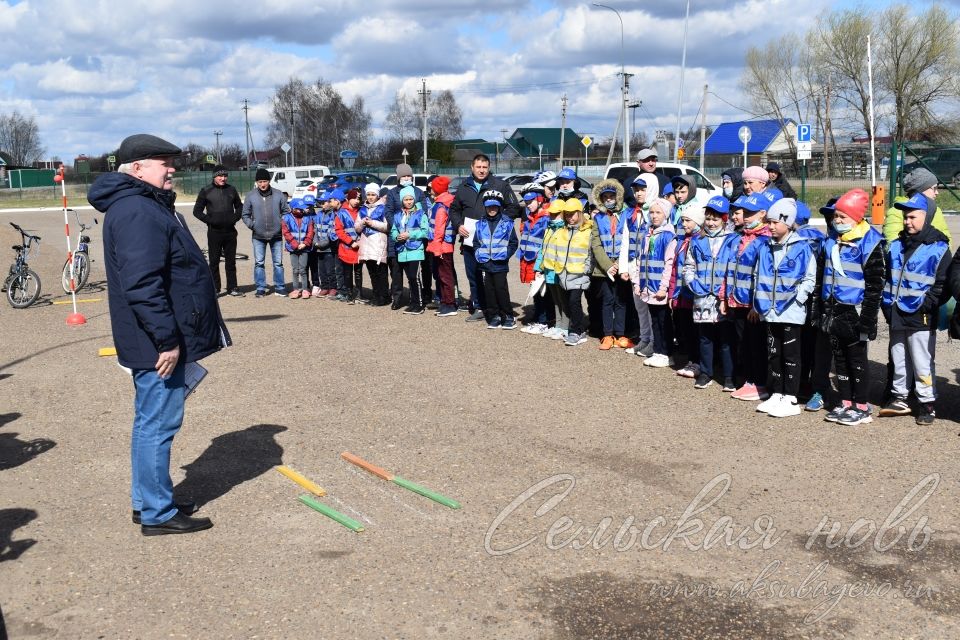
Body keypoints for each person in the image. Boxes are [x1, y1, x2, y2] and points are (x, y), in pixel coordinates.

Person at [88, 133, 229, 535]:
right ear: (136, 168)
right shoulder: (137, 210)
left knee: (150, 420)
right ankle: (157, 513)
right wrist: (167, 340)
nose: (172, 169)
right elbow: (143, 284)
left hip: (154, 336)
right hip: (157, 341)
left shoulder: (143, 205)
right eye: (162, 162)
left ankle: (148, 499)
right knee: (158, 424)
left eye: (171, 162)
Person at [812, 189, 885, 426]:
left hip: (854, 311)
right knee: (840, 359)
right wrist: (818, 309)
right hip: (833, 310)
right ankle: (845, 401)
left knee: (857, 360)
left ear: (856, 218)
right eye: (836, 217)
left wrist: (867, 319)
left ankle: (861, 406)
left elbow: (875, 285)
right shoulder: (831, 240)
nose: (838, 221)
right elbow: (820, 278)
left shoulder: (870, 242)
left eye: (843, 217)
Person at [879, 192, 951, 425]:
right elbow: (887, 277)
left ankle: (926, 402)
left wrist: (927, 304)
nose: (907, 221)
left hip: (921, 314)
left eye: (913, 217)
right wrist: (886, 305)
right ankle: (899, 396)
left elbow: (942, 284)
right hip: (896, 311)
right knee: (898, 357)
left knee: (921, 360)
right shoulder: (897, 245)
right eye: (905, 217)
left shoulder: (938, 248)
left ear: (927, 217)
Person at [753, 199, 816, 418]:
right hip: (769, 311)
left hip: (791, 311)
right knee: (774, 353)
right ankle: (777, 392)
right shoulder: (765, 247)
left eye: (774, 223)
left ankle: (791, 397)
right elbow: (758, 275)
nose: (770, 227)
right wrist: (758, 302)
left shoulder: (802, 247)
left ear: (787, 223)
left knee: (791, 355)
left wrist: (799, 298)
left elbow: (809, 278)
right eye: (768, 222)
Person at [449, 154, 521, 321]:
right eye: (478, 167)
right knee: (473, 275)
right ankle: (479, 307)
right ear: (472, 168)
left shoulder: (500, 185)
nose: (481, 170)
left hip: (493, 242)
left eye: (485, 167)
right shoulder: (463, 187)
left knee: (494, 279)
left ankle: (497, 311)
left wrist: (498, 223)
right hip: (470, 240)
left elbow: (514, 208)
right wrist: (458, 225)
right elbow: (454, 210)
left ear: (489, 168)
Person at [728, 191, 778, 401]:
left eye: (750, 212)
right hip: (738, 299)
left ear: (763, 213)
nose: (746, 216)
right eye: (744, 212)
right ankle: (748, 379)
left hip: (754, 304)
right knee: (743, 342)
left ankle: (759, 382)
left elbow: (763, 274)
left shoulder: (765, 240)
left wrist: (757, 305)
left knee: (756, 344)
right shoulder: (742, 237)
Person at [684, 200, 737, 390]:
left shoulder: (733, 240)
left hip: (723, 299)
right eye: (708, 219)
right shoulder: (697, 241)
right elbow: (689, 267)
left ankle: (729, 376)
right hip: (702, 297)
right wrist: (695, 286)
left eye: (715, 219)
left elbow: (734, 269)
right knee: (705, 338)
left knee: (726, 340)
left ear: (724, 220)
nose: (711, 223)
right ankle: (706, 373)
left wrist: (726, 292)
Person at [541, 198, 594, 346]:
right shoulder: (562, 231)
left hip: (579, 275)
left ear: (580, 213)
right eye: (567, 214)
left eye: (573, 214)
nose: (570, 218)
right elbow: (556, 251)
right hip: (563, 274)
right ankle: (573, 327)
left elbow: (591, 254)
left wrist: (586, 271)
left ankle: (577, 332)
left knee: (574, 302)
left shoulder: (588, 231)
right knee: (567, 304)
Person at [631, 198, 677, 367]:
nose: (654, 216)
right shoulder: (647, 234)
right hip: (647, 286)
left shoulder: (668, 236)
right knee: (654, 320)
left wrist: (664, 287)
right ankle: (657, 351)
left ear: (666, 214)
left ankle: (666, 352)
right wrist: (638, 282)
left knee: (663, 321)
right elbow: (640, 261)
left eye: (658, 212)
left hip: (659, 288)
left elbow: (669, 264)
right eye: (651, 212)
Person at [589, 180, 633, 349]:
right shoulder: (598, 218)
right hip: (605, 268)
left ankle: (620, 334)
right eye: (605, 197)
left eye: (611, 196)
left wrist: (620, 264)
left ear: (618, 197)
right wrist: (608, 265)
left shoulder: (627, 214)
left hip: (622, 265)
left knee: (621, 300)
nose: (608, 199)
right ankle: (607, 334)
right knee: (607, 300)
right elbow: (596, 244)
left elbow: (629, 240)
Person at [192, 165, 244, 296]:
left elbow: (239, 207)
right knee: (214, 262)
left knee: (230, 261)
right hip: (214, 232)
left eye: (225, 175)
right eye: (220, 176)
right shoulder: (206, 191)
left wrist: (234, 218)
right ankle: (215, 288)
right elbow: (197, 211)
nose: (223, 178)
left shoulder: (232, 190)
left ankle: (232, 288)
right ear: (214, 176)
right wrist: (210, 220)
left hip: (230, 232)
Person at [473, 189, 520, 329]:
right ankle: (494, 316)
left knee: (501, 290)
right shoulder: (480, 223)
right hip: (485, 263)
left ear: (499, 207)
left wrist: (506, 254)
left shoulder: (507, 223)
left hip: (500, 263)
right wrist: (477, 253)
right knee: (489, 291)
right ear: (485, 207)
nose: (491, 209)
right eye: (489, 207)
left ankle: (508, 316)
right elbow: (476, 241)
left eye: (494, 206)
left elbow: (513, 242)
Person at [242, 167, 289, 297]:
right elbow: (245, 215)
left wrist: (281, 224)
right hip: (258, 236)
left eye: (265, 181)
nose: (262, 184)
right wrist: (253, 225)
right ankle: (261, 288)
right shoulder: (250, 195)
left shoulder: (278, 194)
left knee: (278, 263)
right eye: (260, 181)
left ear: (269, 181)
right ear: (256, 182)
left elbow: (286, 212)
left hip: (276, 235)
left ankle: (279, 287)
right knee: (259, 263)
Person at [517, 182, 554, 334]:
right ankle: (540, 317)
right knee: (536, 291)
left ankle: (544, 321)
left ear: (539, 199)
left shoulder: (546, 218)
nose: (528, 205)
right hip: (529, 260)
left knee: (543, 293)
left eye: (530, 202)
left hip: (539, 263)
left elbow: (548, 243)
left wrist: (542, 264)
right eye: (526, 203)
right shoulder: (529, 218)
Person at [883, 167, 952, 244]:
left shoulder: (936, 210)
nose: (937, 192)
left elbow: (947, 238)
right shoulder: (897, 212)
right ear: (921, 190)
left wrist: (940, 251)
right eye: (934, 188)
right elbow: (893, 243)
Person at [390, 186, 429, 314]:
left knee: (415, 277)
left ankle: (419, 304)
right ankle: (413, 303)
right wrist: (397, 236)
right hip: (402, 251)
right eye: (406, 199)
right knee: (410, 278)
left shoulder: (420, 214)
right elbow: (394, 229)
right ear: (402, 201)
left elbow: (425, 231)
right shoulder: (397, 215)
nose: (408, 202)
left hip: (415, 250)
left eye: (410, 199)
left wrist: (409, 235)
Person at [426, 176, 459, 317]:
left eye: (432, 188)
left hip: (442, 247)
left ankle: (449, 304)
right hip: (443, 245)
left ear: (437, 190)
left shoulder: (440, 206)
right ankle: (446, 302)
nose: (430, 190)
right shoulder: (445, 202)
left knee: (445, 276)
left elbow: (439, 229)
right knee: (443, 275)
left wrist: (437, 248)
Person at [356, 183, 390, 306]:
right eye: (368, 194)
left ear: (377, 195)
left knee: (381, 273)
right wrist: (362, 223)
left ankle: (384, 296)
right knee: (372, 273)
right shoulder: (362, 209)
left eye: (373, 194)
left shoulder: (383, 208)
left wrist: (372, 223)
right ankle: (376, 296)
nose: (370, 197)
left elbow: (387, 226)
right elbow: (357, 227)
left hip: (378, 244)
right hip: (366, 245)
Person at [281, 198, 315, 299]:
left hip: (304, 248)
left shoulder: (308, 218)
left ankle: (305, 289)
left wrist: (305, 243)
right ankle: (295, 289)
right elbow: (286, 233)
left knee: (303, 269)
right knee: (295, 270)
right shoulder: (286, 218)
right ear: (293, 209)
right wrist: (295, 244)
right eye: (300, 209)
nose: (302, 211)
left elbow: (310, 232)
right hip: (293, 248)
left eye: (302, 209)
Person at [335, 188, 363, 303]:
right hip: (346, 248)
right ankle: (349, 293)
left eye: (359, 198)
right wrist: (351, 242)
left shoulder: (361, 211)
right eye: (354, 198)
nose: (357, 201)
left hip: (359, 248)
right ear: (348, 199)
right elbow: (339, 231)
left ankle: (359, 293)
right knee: (347, 273)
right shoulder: (341, 213)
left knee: (358, 272)